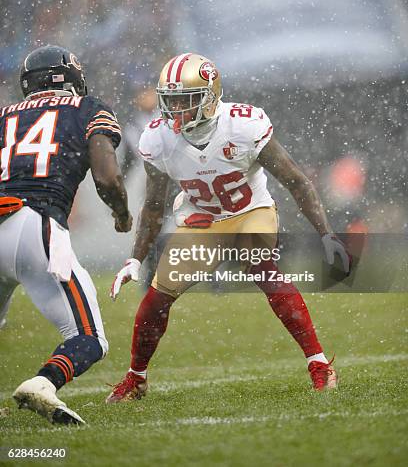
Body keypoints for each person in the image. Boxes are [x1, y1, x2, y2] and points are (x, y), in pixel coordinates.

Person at [107, 52, 351, 403]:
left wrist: (326, 234)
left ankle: (319, 364)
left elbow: (297, 182)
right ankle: (136, 379)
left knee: (263, 269)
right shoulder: (157, 138)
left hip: (251, 210)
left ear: (209, 97)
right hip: (203, 220)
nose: (174, 111)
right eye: (169, 101)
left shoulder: (244, 125)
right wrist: (134, 259)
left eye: (184, 101)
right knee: (157, 297)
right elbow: (154, 205)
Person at [0, 45, 132, 425]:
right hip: (36, 225)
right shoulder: (86, 107)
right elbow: (107, 176)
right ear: (72, 78)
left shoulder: (5, 115)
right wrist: (121, 213)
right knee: (89, 338)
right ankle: (44, 382)